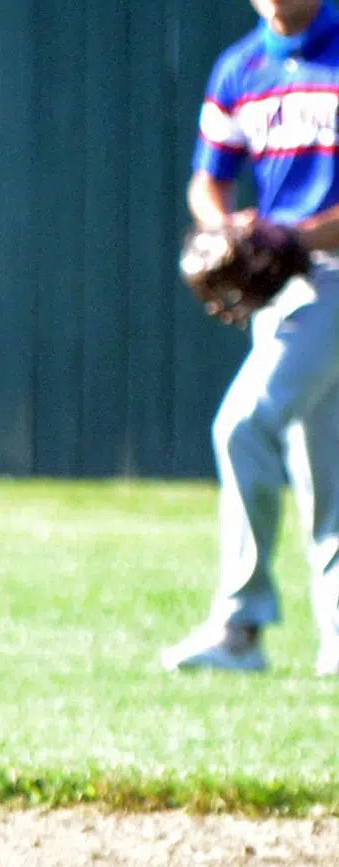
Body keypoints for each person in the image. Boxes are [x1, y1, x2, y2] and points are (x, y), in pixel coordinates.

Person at [167, 0, 339, 675]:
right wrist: (228, 232)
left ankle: (240, 621)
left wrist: (289, 236)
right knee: (322, 469)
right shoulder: (240, 66)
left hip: (331, 274)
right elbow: (208, 180)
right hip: (283, 282)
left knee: (243, 424)